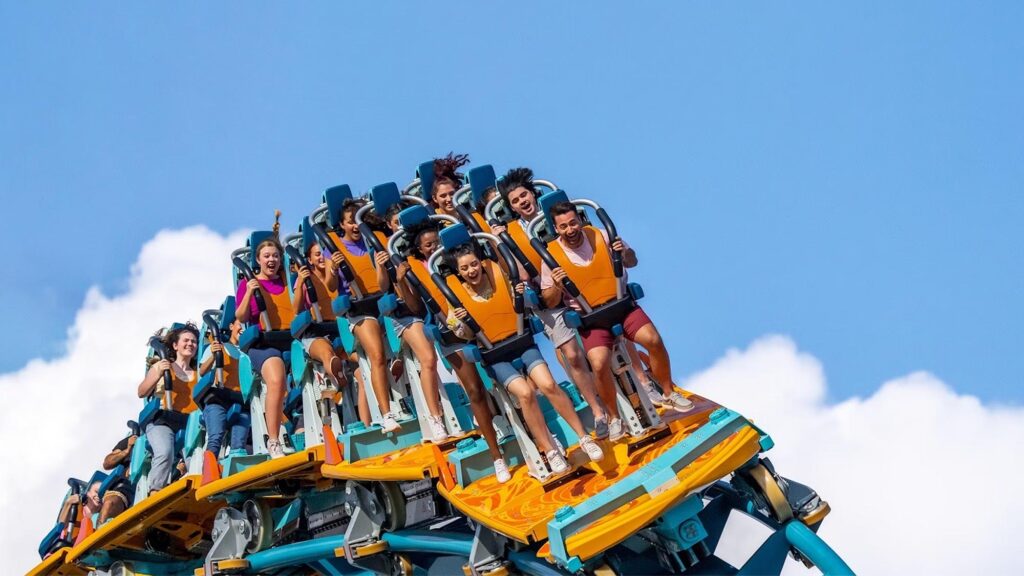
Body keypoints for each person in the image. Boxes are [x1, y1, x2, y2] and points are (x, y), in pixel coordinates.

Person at [448, 243, 605, 474]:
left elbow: (520, 303)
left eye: (474, 264)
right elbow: (463, 334)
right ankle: (550, 451)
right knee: (525, 394)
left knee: (548, 384)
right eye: (465, 268)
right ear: (459, 272)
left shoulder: (500, 278)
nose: (471, 270)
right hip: (495, 354)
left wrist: (520, 293)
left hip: (521, 342)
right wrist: (462, 322)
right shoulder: (456, 298)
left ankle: (584, 437)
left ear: (481, 263)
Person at [493, 168, 614, 439]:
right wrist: (502, 243)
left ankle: (635, 385)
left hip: (584, 284)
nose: (522, 202)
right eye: (515, 201)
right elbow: (520, 274)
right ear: (511, 208)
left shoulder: (559, 217)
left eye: (524, 195)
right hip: (550, 294)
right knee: (572, 354)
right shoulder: (513, 232)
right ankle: (598, 411)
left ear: (533, 194)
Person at [540, 201, 693, 413]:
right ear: (556, 229)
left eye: (573, 223)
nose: (570, 229)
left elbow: (632, 261)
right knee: (599, 364)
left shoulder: (602, 235)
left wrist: (623, 253)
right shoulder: (550, 257)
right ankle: (613, 417)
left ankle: (669, 392)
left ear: (580, 221)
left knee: (653, 339)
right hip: (592, 319)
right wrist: (557, 285)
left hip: (622, 307)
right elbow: (549, 300)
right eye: (564, 226)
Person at [409, 225, 510, 481]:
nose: (434, 247)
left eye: (437, 242)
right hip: (455, 331)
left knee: (504, 381)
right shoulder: (434, 273)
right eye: (429, 245)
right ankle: (496, 456)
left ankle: (514, 425)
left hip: (487, 325)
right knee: (474, 390)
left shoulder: (466, 262)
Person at [379, 204, 450, 442]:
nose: (401, 226)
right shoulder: (393, 252)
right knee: (428, 359)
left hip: (436, 310)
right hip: (408, 313)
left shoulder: (440, 252)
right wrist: (399, 280)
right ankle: (435, 418)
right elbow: (413, 306)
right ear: (389, 225)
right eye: (396, 223)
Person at [332, 198, 401, 433]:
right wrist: (333, 268)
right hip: (358, 309)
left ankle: (408, 404)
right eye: (350, 222)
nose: (354, 226)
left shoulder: (375, 240)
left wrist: (381, 265)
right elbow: (330, 286)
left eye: (357, 221)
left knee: (403, 352)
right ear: (342, 225)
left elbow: (383, 286)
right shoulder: (334, 248)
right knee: (377, 356)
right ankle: (386, 414)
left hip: (381, 301)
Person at [235, 213, 294, 458]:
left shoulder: (287, 280)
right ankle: (274, 441)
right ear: (258, 260)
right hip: (263, 343)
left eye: (275, 256)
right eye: (267, 256)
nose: (272, 260)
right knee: (277, 380)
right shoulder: (249, 283)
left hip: (289, 337)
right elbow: (240, 315)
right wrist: (250, 292)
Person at [136, 323, 200, 492]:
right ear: (175, 345)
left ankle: (197, 486)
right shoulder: (163, 366)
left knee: (195, 455)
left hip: (187, 422)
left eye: (194, 341)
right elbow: (141, 392)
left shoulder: (198, 373)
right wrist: (158, 374)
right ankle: (155, 490)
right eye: (186, 340)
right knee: (165, 452)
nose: (190, 344)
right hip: (163, 420)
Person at [197, 319, 251, 458]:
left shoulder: (248, 352)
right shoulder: (218, 347)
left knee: (239, 444)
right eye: (240, 325)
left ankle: (236, 464)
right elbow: (202, 372)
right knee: (216, 438)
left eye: (246, 325)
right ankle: (208, 468)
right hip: (218, 399)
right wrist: (213, 356)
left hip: (241, 401)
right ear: (231, 326)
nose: (243, 328)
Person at [98, 432, 137, 524]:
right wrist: (127, 450)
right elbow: (107, 464)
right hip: (125, 487)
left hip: (153, 479)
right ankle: (102, 528)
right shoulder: (131, 439)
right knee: (109, 504)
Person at [56, 481, 101, 546]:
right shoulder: (76, 507)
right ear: (87, 493)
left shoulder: (102, 517)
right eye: (96, 492)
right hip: (66, 545)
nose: (98, 496)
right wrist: (68, 503)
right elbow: (61, 526)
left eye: (101, 494)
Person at [429, 153, 469, 219]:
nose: (449, 199)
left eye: (452, 194)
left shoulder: (470, 215)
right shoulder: (433, 220)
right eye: (443, 196)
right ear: (435, 198)